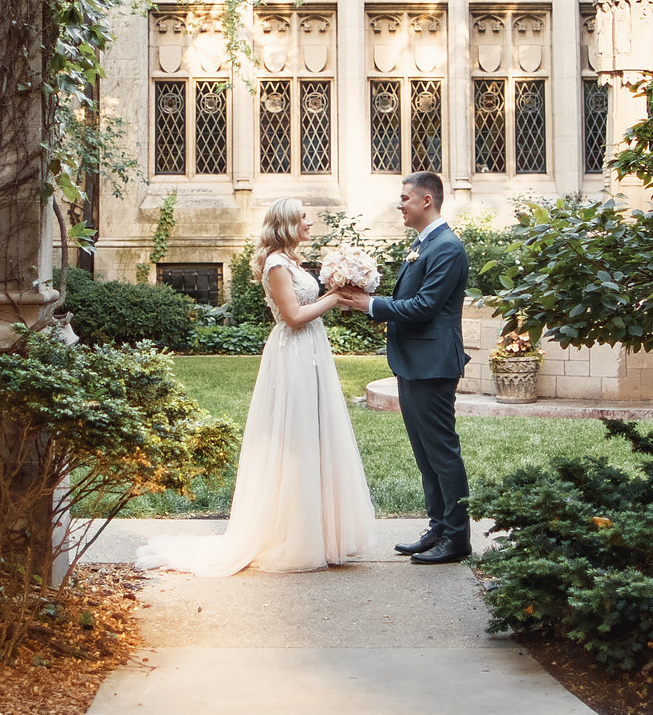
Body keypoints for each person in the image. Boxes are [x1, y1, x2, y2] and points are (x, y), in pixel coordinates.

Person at [137, 198, 378, 576]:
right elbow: (294, 317)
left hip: (313, 350)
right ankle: (292, 537)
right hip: (295, 352)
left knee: (315, 435)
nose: (310, 223)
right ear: (285, 224)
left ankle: (321, 533)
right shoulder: (276, 264)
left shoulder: (292, 260)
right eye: (303, 218)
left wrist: (342, 290)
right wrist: (333, 298)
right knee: (295, 436)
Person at [334, 171, 472, 564]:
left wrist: (371, 305)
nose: (400, 205)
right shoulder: (424, 244)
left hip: (433, 364)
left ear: (427, 201)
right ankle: (439, 527)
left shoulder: (446, 247)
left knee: (442, 453)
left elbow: (425, 307)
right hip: (414, 363)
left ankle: (457, 539)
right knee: (426, 454)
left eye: (405, 198)